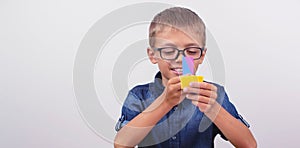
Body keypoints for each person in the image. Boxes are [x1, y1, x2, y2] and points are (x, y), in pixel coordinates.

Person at [114, 7, 257, 148]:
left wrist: (213, 109)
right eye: (169, 51)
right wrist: (165, 103)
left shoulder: (214, 94)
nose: (181, 59)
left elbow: (249, 145)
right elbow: (121, 144)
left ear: (201, 56)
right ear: (153, 55)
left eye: (191, 51)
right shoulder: (138, 96)